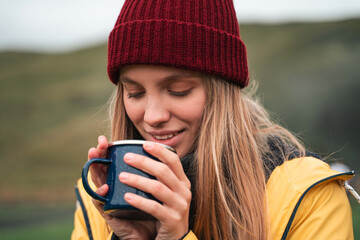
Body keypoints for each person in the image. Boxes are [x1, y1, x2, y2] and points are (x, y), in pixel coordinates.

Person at [71, 0, 355, 239]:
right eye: (135, 93)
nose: (153, 117)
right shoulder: (98, 200)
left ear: (222, 91)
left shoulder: (307, 196)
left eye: (178, 91)